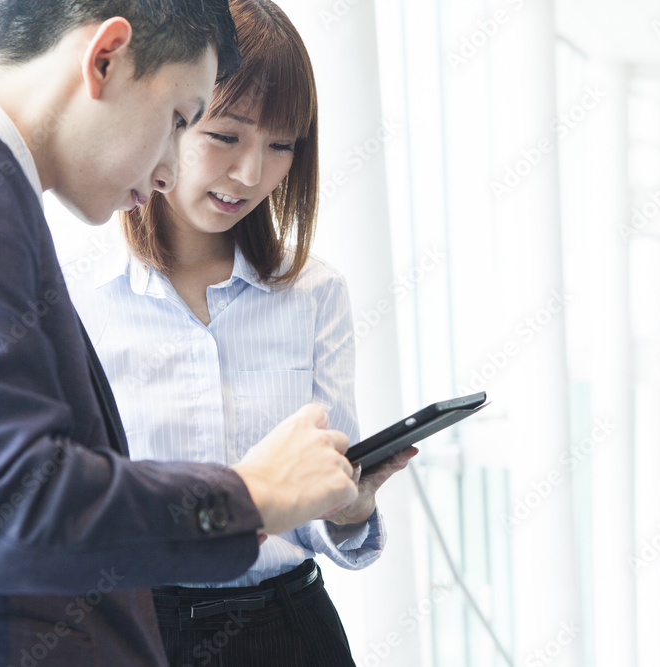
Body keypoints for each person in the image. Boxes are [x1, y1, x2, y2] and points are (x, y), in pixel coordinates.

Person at [0, 2, 361, 665]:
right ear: (105, 57)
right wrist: (255, 493)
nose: (169, 169)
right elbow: (4, 510)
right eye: (178, 120)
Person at [71, 1, 416, 664]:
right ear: (170, 116)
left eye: (281, 145)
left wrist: (348, 510)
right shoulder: (82, 300)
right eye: (226, 136)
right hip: (143, 634)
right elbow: (78, 514)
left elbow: (320, 498)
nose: (252, 174)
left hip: (289, 628)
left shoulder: (314, 293)